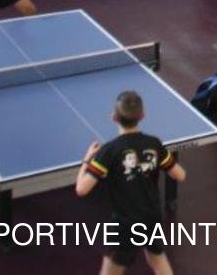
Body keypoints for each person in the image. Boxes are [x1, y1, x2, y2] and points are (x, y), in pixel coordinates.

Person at [76, 91, 185, 275]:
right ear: (142, 116)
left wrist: (86, 160)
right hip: (152, 217)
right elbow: (180, 175)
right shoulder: (154, 144)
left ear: (114, 117)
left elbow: (81, 189)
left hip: (125, 223)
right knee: (157, 261)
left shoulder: (108, 151)